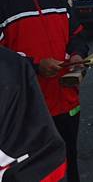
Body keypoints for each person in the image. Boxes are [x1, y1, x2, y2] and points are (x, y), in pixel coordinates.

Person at [0, 0, 88, 182]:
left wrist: (76, 55)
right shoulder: (3, 5)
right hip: (27, 111)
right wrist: (35, 66)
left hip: (67, 101)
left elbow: (78, 35)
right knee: (34, 170)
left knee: (70, 159)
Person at [0, 47, 67, 181]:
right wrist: (35, 65)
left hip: (62, 102)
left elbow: (75, 35)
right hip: (26, 101)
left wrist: (78, 54)